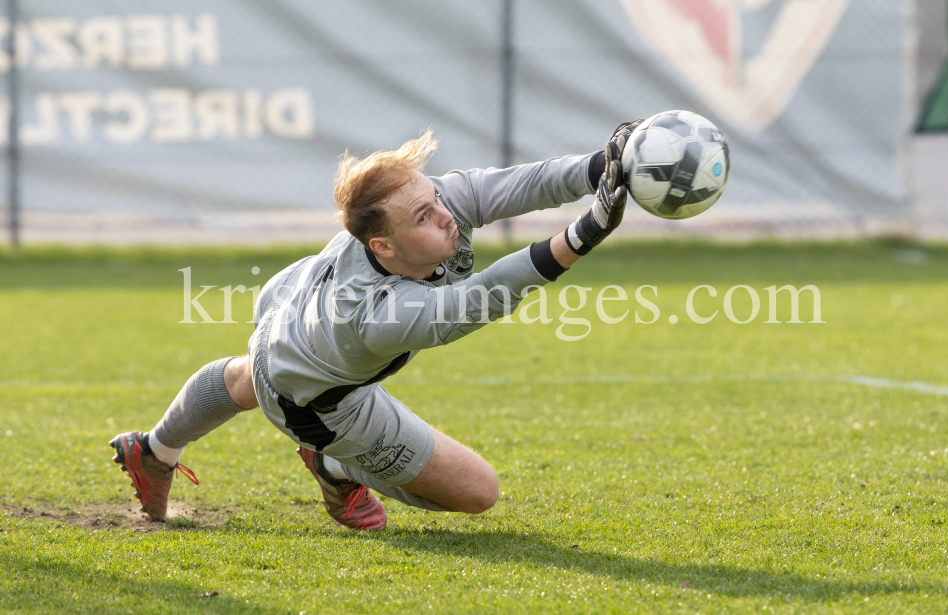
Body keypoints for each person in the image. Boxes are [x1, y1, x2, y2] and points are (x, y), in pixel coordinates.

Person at [109, 120, 642, 529]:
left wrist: (603, 165)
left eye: (433, 198)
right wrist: (582, 235)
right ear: (383, 246)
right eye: (423, 217)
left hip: (288, 303)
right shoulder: (374, 315)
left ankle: (153, 450)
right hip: (314, 400)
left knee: (251, 374)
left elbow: (518, 185)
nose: (444, 214)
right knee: (479, 491)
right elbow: (473, 302)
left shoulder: (427, 207)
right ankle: (334, 465)